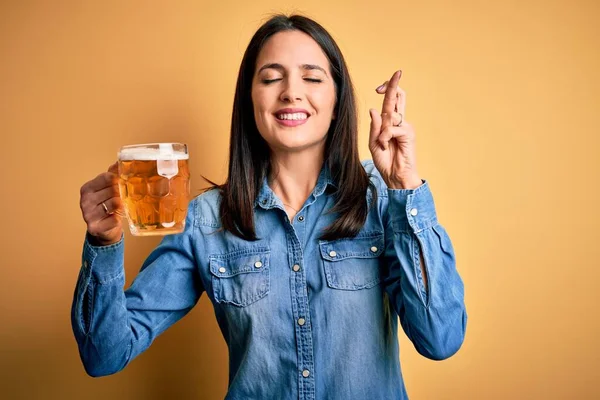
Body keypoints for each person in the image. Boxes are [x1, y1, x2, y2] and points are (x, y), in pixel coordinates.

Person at [73, 14, 467, 399]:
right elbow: (104, 354)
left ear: (336, 101)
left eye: (312, 78)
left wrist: (404, 185)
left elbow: (441, 337)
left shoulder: (382, 199)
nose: (291, 92)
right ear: (250, 99)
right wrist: (104, 242)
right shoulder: (206, 220)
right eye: (271, 78)